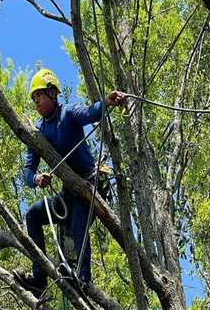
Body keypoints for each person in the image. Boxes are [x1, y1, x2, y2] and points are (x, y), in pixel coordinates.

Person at [14, 69, 126, 298]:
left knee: (78, 225)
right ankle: (39, 279)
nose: (37, 103)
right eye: (34, 99)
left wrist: (107, 101)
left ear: (53, 93)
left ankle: (83, 280)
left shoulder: (69, 113)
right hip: (66, 194)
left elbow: (89, 114)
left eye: (40, 97)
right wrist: (36, 179)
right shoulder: (38, 132)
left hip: (88, 185)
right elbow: (28, 170)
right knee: (33, 215)